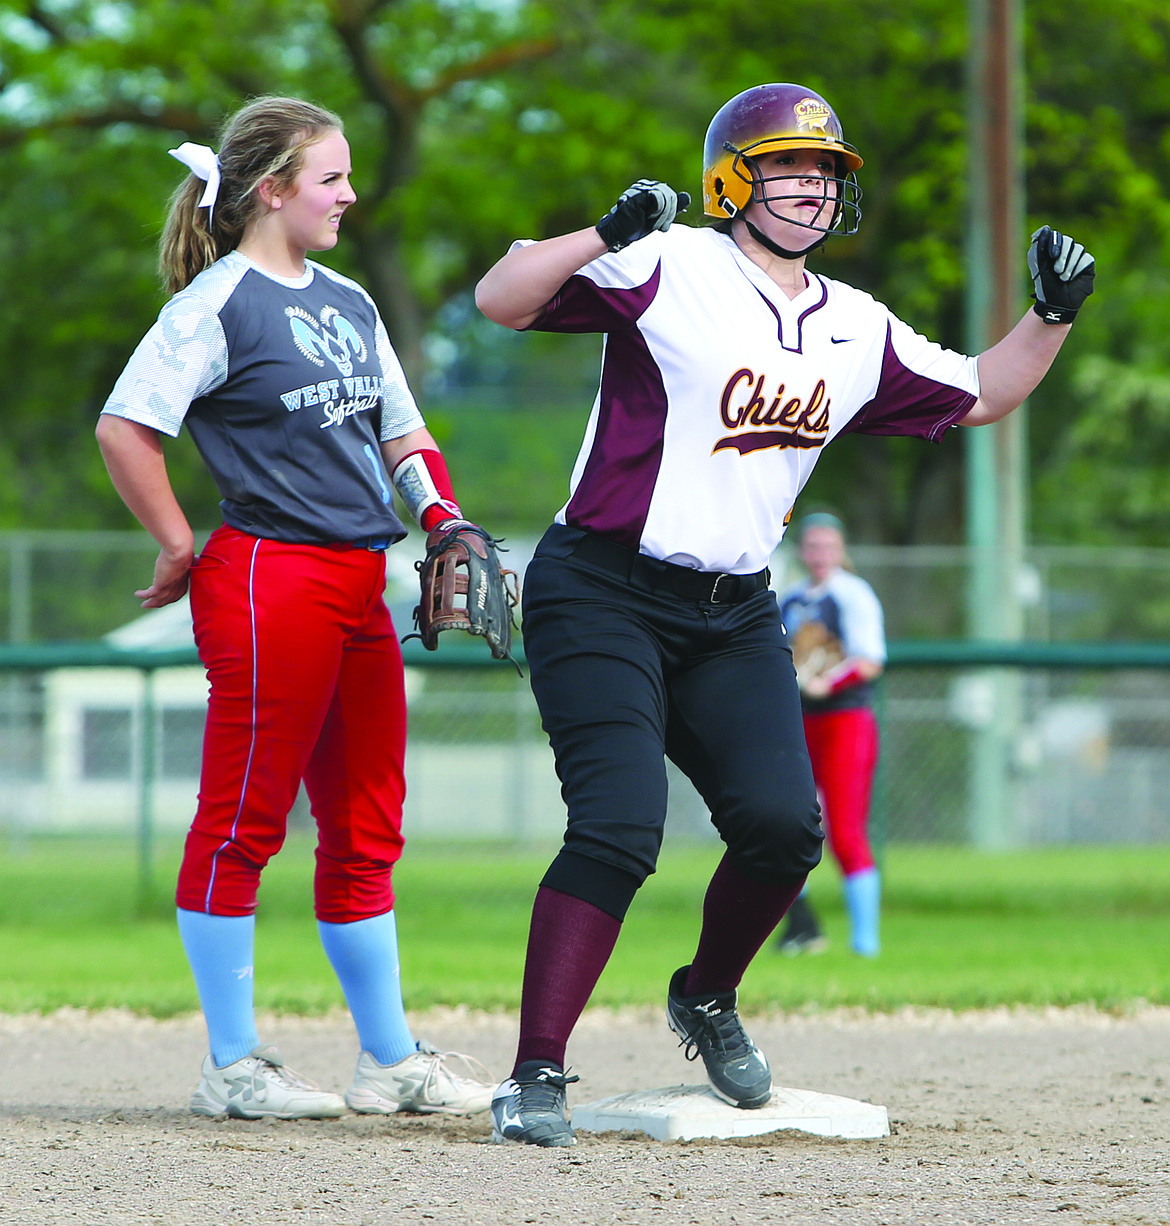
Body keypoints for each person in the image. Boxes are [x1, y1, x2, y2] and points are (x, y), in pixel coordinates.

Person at [473, 80, 1095, 1148]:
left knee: (784, 824)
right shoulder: (670, 263)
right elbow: (503, 299)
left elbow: (987, 390)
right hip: (601, 588)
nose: (812, 186)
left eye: (826, 171)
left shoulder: (854, 325)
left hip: (731, 609)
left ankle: (705, 994)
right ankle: (535, 1070)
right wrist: (603, 233)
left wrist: (1050, 316)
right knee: (619, 822)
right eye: (788, 167)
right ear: (731, 179)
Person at [95, 95, 496, 1120]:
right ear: (271, 189)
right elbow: (126, 427)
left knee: (367, 822)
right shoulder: (216, 304)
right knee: (245, 819)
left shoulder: (352, 301)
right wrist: (180, 540)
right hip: (271, 571)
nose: (350, 193)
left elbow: (403, 435)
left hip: (360, 576)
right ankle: (232, 1063)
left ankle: (390, 1058)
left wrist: (441, 515)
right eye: (331, 178)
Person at [777, 513, 885, 957]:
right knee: (785, 824)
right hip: (800, 721)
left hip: (844, 720)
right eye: (813, 546)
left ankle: (865, 943)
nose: (820, 555)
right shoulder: (792, 598)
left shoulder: (852, 594)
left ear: (841, 550)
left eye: (828, 546)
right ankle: (801, 927)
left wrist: (827, 683)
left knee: (844, 831)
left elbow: (869, 660)